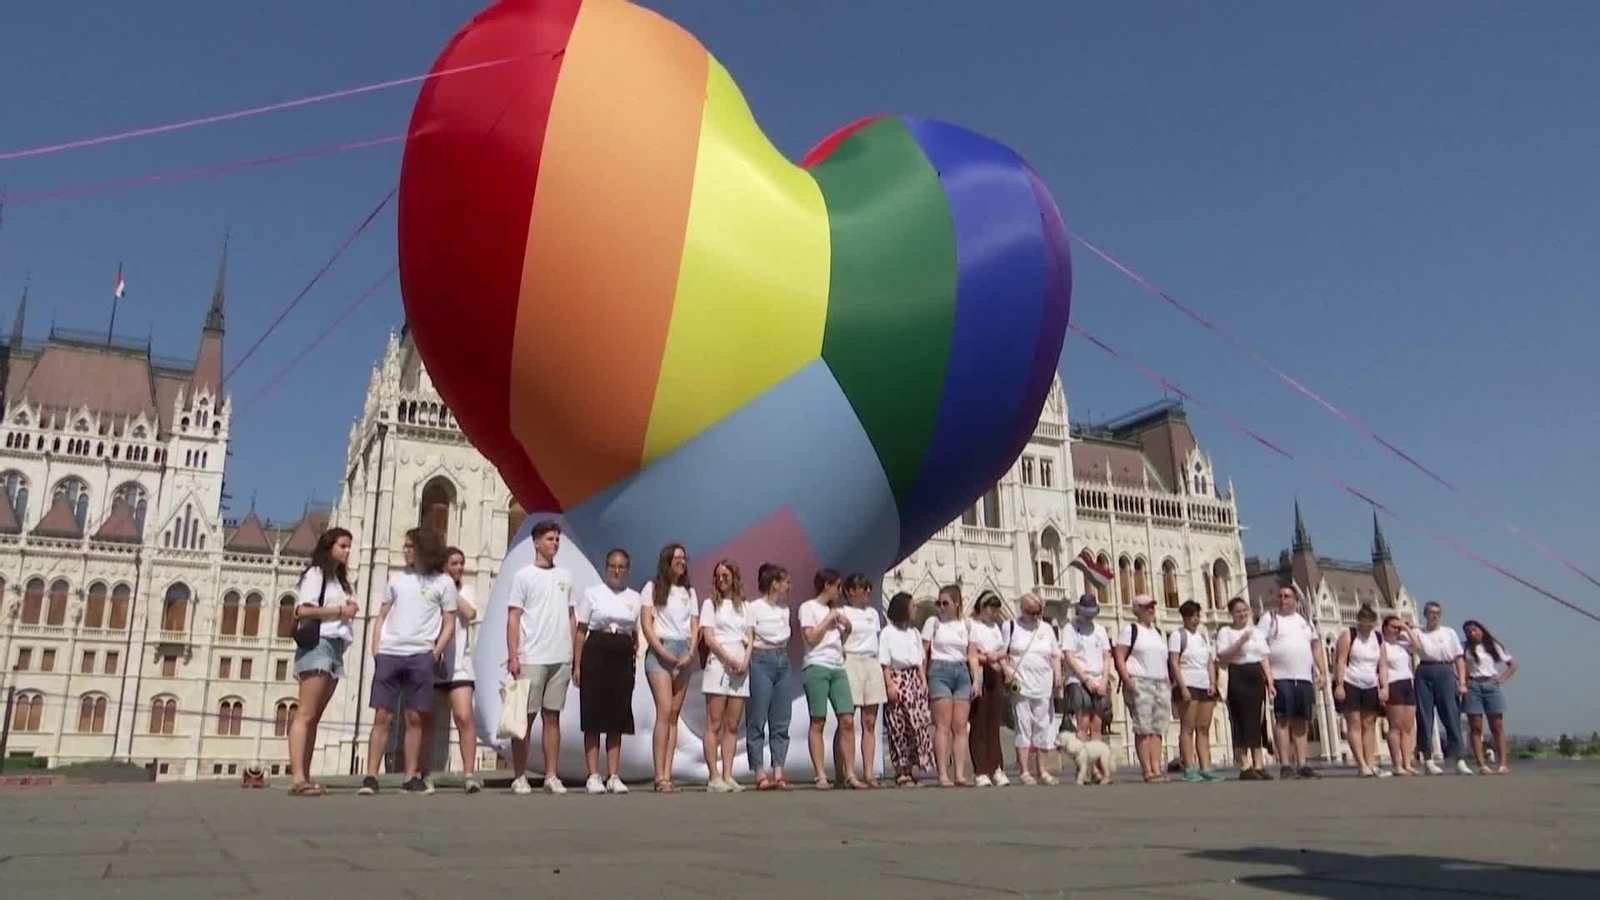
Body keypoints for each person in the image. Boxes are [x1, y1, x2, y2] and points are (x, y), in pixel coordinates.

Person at [362, 528, 457, 795]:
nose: (405, 550)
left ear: (423, 548)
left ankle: (409, 776)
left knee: (415, 718)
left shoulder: (443, 583)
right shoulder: (396, 579)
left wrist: (435, 652)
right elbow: (382, 614)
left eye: (409, 545)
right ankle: (370, 776)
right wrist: (376, 648)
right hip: (390, 653)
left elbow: (449, 622)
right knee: (382, 715)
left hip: (420, 655)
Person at [505, 520, 576, 795]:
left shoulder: (566, 577)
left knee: (553, 717)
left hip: (560, 657)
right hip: (531, 656)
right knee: (523, 717)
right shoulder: (523, 576)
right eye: (550, 539)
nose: (554, 544)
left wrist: (573, 657)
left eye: (557, 539)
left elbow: (571, 616)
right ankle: (519, 776)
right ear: (536, 543)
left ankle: (551, 775)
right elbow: (513, 617)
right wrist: (513, 655)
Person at [287, 527, 358, 796]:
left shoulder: (336, 581)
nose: (347, 551)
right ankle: (297, 778)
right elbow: (302, 610)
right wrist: (341, 610)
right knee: (305, 713)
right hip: (318, 644)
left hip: (334, 648)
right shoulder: (316, 574)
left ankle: (305, 776)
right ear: (329, 547)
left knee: (314, 717)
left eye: (349, 546)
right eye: (343, 546)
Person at [574, 548, 641, 795]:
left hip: (621, 655)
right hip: (596, 652)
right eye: (613, 565)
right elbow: (580, 631)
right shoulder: (592, 594)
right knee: (593, 715)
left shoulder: (634, 597)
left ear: (627, 570)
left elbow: (635, 633)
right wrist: (577, 664)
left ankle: (613, 775)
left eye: (621, 566)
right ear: (606, 567)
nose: (616, 570)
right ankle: (593, 775)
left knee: (617, 716)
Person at [640, 543, 698, 793]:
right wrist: (661, 650)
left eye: (684, 558)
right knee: (663, 710)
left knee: (674, 714)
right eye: (677, 558)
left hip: (683, 653)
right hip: (660, 651)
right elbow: (646, 623)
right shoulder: (652, 588)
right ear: (667, 561)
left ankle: (668, 772)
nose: (682, 562)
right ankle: (659, 775)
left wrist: (691, 652)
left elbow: (695, 625)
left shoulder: (689, 592)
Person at [423, 546, 480, 794]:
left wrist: (450, 591)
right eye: (454, 563)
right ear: (443, 566)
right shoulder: (430, 590)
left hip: (460, 666)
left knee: (464, 717)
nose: (459, 568)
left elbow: (470, 613)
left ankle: (469, 774)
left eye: (461, 564)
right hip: (432, 663)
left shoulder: (466, 591)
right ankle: (424, 774)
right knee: (428, 720)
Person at [799, 569, 860, 789]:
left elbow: (838, 642)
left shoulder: (835, 611)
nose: (839, 591)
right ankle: (820, 775)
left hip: (838, 666)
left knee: (847, 719)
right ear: (827, 585)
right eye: (837, 586)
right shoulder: (808, 608)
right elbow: (811, 637)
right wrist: (830, 618)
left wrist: (847, 629)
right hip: (816, 665)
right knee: (818, 720)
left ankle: (850, 773)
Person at [1258, 585, 1327, 779]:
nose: (1282, 599)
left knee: (1301, 721)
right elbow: (1259, 647)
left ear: (1296, 600)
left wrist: (1322, 671)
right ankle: (1285, 765)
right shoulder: (1268, 619)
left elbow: (1316, 645)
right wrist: (1268, 677)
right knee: (1283, 720)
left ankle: (1303, 764)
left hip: (1304, 677)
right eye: (1279, 596)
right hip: (1281, 677)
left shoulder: (1305, 621)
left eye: (1287, 596)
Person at [699, 560, 754, 792]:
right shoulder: (710, 605)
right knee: (714, 722)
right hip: (719, 666)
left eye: (726, 576)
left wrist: (744, 661)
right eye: (718, 576)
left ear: (734, 577)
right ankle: (713, 777)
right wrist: (728, 659)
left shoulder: (745, 606)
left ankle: (728, 774)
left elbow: (751, 638)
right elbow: (709, 638)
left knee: (732, 725)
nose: (721, 580)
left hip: (741, 668)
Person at [923, 584, 979, 787]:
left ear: (957, 603)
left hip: (962, 672)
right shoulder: (934, 622)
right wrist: (923, 677)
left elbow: (972, 654)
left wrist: (976, 679)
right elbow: (924, 652)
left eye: (945, 603)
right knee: (943, 726)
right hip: (939, 670)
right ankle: (943, 774)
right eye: (939, 603)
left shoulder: (968, 625)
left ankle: (960, 773)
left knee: (961, 726)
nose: (941, 607)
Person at [746, 563, 794, 790]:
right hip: (760, 659)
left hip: (783, 660)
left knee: (781, 719)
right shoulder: (753, 607)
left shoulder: (785, 609)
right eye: (786, 582)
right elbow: (749, 636)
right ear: (774, 583)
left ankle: (779, 772)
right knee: (758, 717)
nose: (789, 586)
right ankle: (759, 772)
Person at [1114, 594, 1171, 783]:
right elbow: (1119, 656)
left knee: (1157, 728)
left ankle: (1157, 767)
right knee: (1143, 728)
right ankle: (1147, 770)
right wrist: (1126, 679)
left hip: (1160, 682)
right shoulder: (1130, 630)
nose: (1151, 610)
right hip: (1140, 681)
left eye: (1153, 606)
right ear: (1137, 609)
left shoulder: (1158, 632)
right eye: (1146, 607)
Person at [1005, 593, 1061, 786]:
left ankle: (1043, 770)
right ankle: (1024, 771)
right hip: (1020, 684)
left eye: (1039, 612)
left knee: (1043, 726)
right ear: (1023, 610)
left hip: (1044, 685)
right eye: (1032, 612)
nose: (1036, 617)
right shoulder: (1011, 627)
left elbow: (1055, 655)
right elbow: (1002, 653)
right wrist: (1007, 671)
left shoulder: (1047, 628)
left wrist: (1058, 677)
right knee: (1023, 725)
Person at [1216, 596, 1274, 780]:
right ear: (1231, 614)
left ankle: (1259, 764)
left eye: (1244, 610)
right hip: (1236, 674)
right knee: (1240, 719)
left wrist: (1270, 682)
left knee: (1257, 719)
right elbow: (1222, 656)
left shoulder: (1256, 631)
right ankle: (1245, 765)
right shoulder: (1225, 632)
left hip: (1255, 675)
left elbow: (1264, 657)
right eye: (1238, 611)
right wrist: (1240, 641)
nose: (1242, 614)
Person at [879, 592, 933, 787]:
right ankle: (901, 771)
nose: (915, 610)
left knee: (916, 727)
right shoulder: (887, 632)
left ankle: (911, 768)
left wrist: (923, 681)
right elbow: (884, 661)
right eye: (912, 606)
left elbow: (919, 659)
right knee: (898, 726)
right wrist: (889, 684)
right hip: (897, 678)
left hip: (914, 680)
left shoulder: (914, 633)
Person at [1412, 601, 1472, 775]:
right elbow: (1415, 647)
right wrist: (1409, 627)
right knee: (1424, 717)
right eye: (1431, 612)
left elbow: (1458, 658)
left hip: (1445, 670)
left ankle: (1459, 759)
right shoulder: (1418, 632)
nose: (1435, 615)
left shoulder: (1449, 633)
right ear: (1425, 614)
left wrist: (1461, 682)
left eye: (1438, 612)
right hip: (1424, 670)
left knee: (1451, 715)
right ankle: (1428, 760)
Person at [840, 573, 887, 786]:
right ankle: (848, 773)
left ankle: (869, 773)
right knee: (847, 721)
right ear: (851, 591)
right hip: (851, 661)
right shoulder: (842, 612)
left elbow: (876, 639)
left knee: (869, 721)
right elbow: (838, 640)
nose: (868, 592)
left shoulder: (873, 614)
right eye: (863, 588)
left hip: (871, 662)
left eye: (869, 588)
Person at [1169, 600, 1221, 782]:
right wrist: (1182, 686)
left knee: (1204, 728)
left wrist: (1213, 683)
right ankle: (1189, 767)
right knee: (1188, 727)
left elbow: (1209, 662)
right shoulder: (1178, 635)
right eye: (1192, 615)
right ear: (1184, 617)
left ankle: (1206, 767)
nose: (1196, 619)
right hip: (1188, 684)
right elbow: (1174, 661)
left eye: (1198, 615)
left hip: (1204, 685)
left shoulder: (1203, 637)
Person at [1333, 605, 1384, 777]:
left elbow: (1382, 665)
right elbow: (1340, 661)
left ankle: (1370, 763)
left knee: (1369, 724)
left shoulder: (1378, 638)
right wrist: (1339, 685)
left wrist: (1383, 686)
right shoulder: (1349, 635)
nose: (1367, 627)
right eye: (1364, 624)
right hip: (1351, 682)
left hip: (1371, 684)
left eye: (1370, 624)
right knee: (1354, 723)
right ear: (1359, 622)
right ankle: (1361, 764)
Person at [1461, 619, 1516, 775]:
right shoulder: (1463, 647)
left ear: (1481, 630)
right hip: (1473, 686)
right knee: (1476, 727)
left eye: (1475, 630)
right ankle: (1481, 764)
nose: (1472, 633)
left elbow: (1512, 664)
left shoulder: (1493, 645)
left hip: (1491, 685)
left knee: (1497, 726)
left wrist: (1502, 678)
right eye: (1469, 632)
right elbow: (1456, 662)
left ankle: (1503, 763)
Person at [967, 592, 1009, 788]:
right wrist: (987, 658)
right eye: (991, 609)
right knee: (979, 722)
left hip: (996, 673)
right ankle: (981, 770)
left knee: (994, 722)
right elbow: (971, 652)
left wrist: (997, 657)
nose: (994, 613)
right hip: (980, 672)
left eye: (996, 609)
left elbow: (1002, 650)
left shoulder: (995, 628)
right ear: (982, 607)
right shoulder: (972, 626)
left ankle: (996, 768)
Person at [1060, 595, 1113, 741]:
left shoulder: (1100, 630)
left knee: (1097, 723)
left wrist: (1104, 681)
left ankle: (1096, 760)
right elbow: (1069, 656)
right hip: (1078, 679)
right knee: (1083, 722)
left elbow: (1107, 656)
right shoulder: (1070, 628)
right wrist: (1086, 680)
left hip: (1098, 679)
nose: (1089, 617)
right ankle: (1083, 761)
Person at [1382, 615, 1420, 776]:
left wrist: (1406, 629)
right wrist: (1384, 688)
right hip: (1393, 684)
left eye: (1397, 628)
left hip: (1407, 683)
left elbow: (1418, 647)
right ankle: (1397, 764)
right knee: (1395, 727)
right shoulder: (1382, 645)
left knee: (1407, 728)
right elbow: (1382, 667)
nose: (1396, 630)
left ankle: (1407, 763)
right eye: (1393, 627)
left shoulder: (1403, 644)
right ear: (1385, 628)